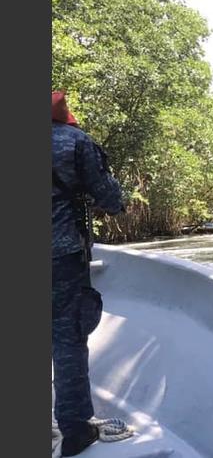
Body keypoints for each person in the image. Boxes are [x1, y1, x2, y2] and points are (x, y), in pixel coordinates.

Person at [52, 91, 125, 456]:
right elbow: (109, 198)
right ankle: (75, 429)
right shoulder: (73, 142)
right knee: (68, 338)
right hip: (60, 255)